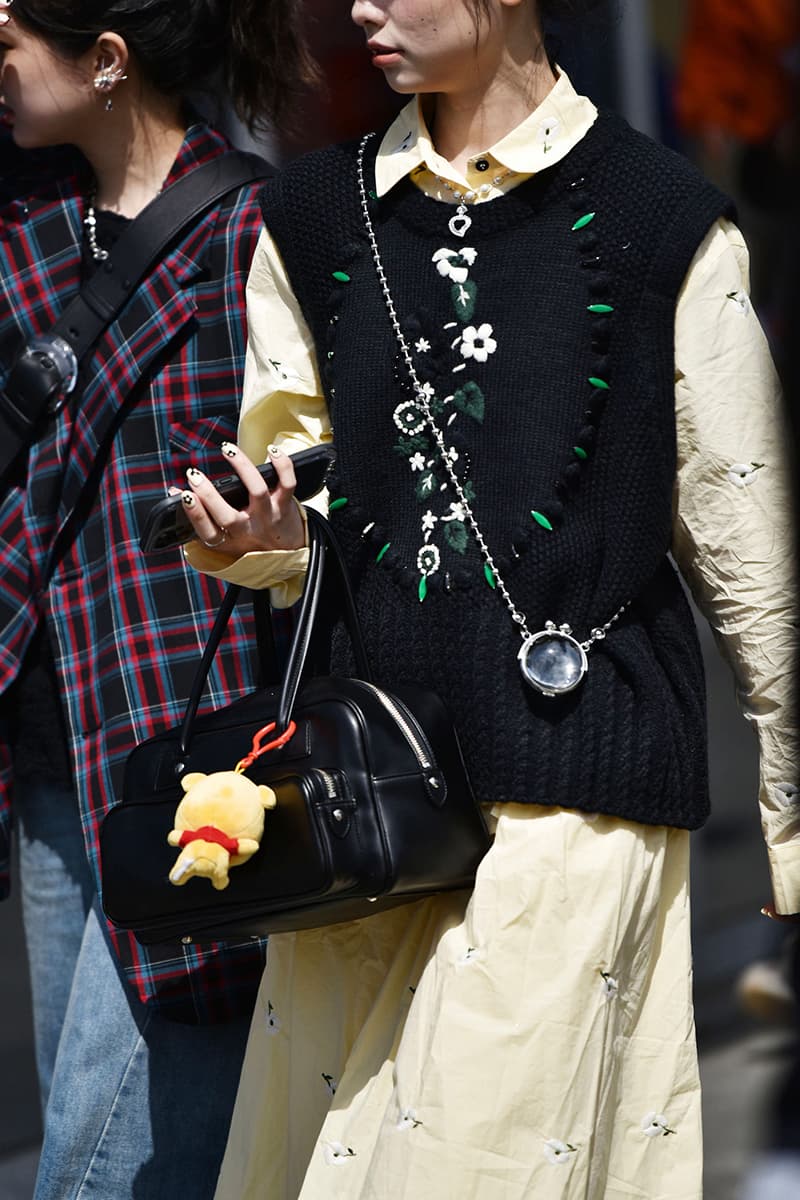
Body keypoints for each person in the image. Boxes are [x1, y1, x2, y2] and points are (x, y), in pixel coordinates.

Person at [180, 0, 799, 1195]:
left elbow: (749, 537)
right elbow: (305, 502)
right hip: (369, 797)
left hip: (581, 779)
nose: (360, 8)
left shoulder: (661, 220)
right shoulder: (309, 217)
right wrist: (260, 536)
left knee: (463, 1166)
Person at [0, 2, 316, 1197]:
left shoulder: (250, 230)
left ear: (107, 60)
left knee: (103, 1161)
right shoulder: (22, 230)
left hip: (186, 752)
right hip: (42, 754)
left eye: (12, 38)